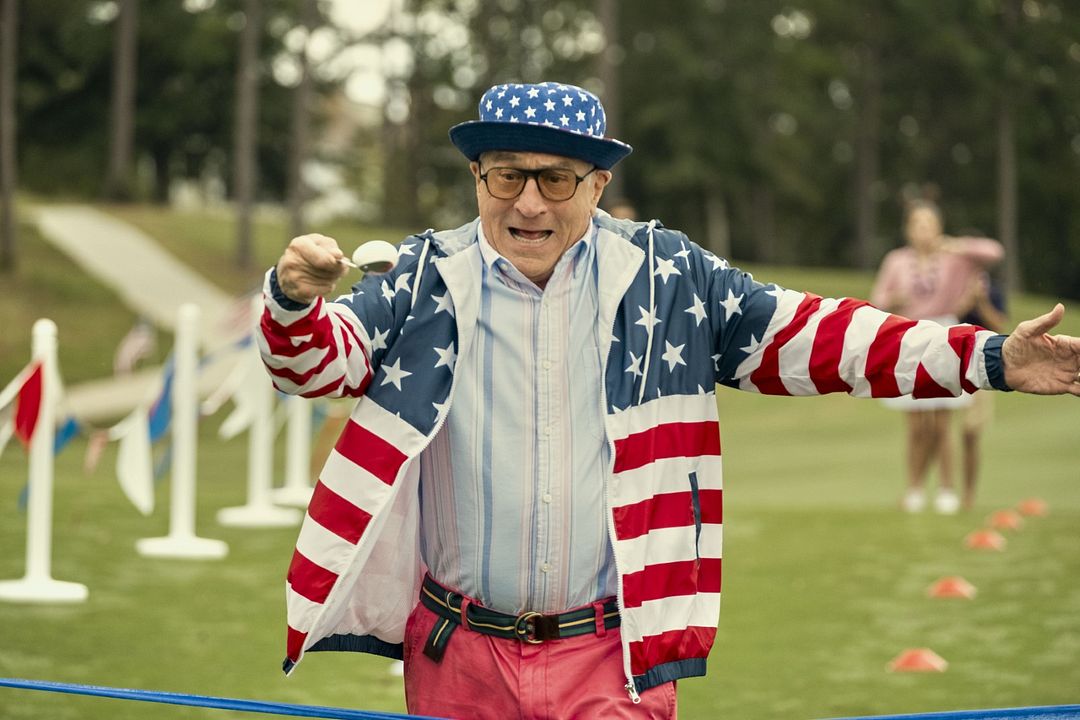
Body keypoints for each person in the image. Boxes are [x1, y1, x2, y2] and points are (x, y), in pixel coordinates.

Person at [259, 81, 1080, 719]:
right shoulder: (422, 277)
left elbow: (820, 336)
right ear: (478, 175)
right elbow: (313, 368)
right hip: (455, 651)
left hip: (610, 655)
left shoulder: (668, 276)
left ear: (599, 181)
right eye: (507, 175)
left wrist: (994, 357)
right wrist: (293, 302)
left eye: (555, 178)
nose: (529, 203)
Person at [869, 200, 1004, 514]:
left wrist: (955, 244)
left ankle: (946, 490)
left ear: (939, 228)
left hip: (944, 334)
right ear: (908, 229)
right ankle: (914, 489)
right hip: (907, 336)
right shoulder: (897, 260)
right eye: (918, 224)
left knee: (942, 422)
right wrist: (894, 299)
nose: (924, 231)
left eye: (929, 224)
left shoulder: (953, 259)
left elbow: (993, 252)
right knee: (916, 425)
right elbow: (877, 299)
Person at [956, 269, 1009, 509]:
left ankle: (968, 495)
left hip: (980, 368)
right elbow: (946, 317)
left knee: (970, 433)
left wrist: (981, 301)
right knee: (937, 430)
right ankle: (943, 493)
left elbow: (999, 325)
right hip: (949, 364)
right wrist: (966, 299)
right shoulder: (953, 288)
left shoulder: (993, 291)